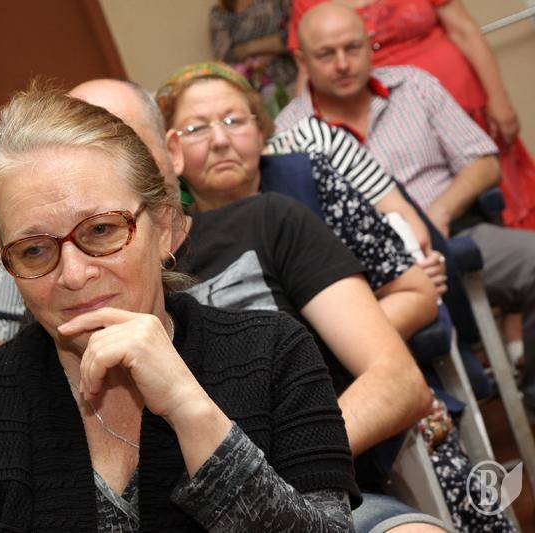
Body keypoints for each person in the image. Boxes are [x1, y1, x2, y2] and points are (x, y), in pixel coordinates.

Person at [0, 78, 441, 532]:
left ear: (169, 154)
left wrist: (257, 456)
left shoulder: (268, 226)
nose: (76, 272)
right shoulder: (45, 269)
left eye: (116, 137)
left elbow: (397, 380)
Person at [0, 87, 362, 531]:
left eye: (101, 230)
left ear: (164, 227)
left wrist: (188, 406)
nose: (74, 274)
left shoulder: (272, 351)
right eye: (34, 250)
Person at [278, 0, 535, 413]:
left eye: (352, 48)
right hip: (372, 280)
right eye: (326, 54)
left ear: (369, 45)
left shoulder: (415, 85)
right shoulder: (289, 134)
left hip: (458, 235)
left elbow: (484, 164)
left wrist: (440, 213)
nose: (342, 64)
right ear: (302, 60)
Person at [156, 61, 439, 340]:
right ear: (172, 150)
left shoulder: (309, 179)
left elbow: (415, 292)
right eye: (196, 129)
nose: (220, 140)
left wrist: (332, 353)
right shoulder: (172, 234)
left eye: (234, 121)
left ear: (260, 132)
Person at [287, 0, 535, 231]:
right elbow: (310, 67)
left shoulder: (420, 84)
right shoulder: (307, 3)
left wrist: (498, 97)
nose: (341, 61)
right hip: (383, 116)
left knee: (495, 196)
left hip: (457, 101)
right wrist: (304, 126)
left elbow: (464, 30)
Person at [209, 0, 297, 115]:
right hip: (245, 88)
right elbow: (225, 54)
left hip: (286, 79)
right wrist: (271, 45)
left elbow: (293, 37)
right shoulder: (220, 12)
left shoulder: (279, 3)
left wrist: (249, 48)